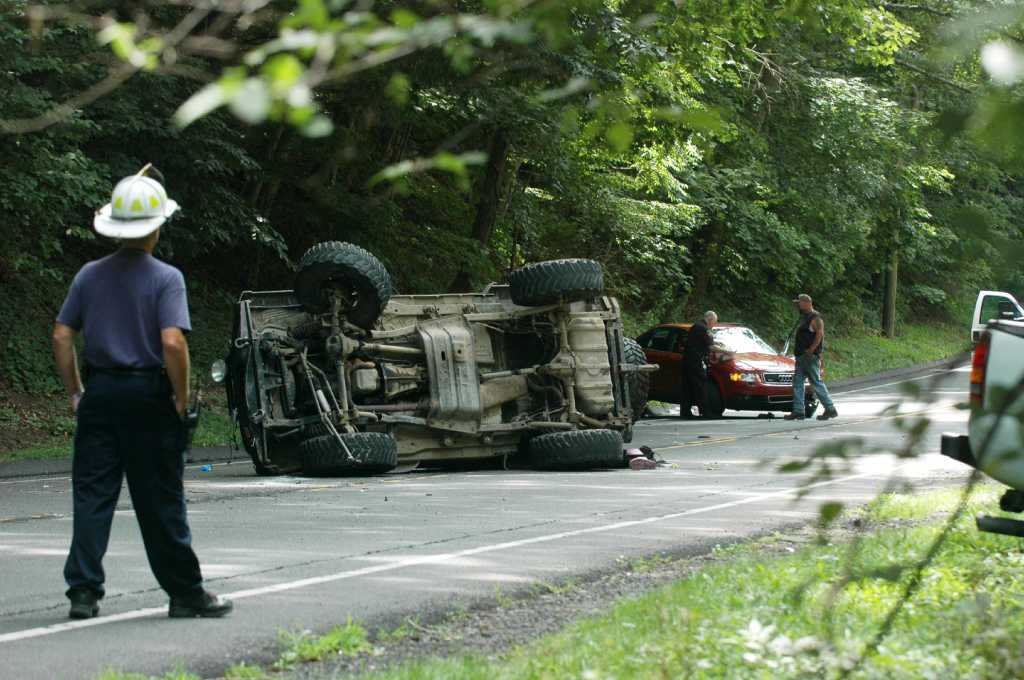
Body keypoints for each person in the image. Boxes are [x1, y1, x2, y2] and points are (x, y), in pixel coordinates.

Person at [52, 166, 232, 620]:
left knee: (92, 495)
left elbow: (60, 336)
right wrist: (179, 395)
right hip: (148, 396)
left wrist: (77, 392)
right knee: (160, 497)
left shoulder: (88, 276)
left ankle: (83, 592)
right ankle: (186, 592)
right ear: (157, 224)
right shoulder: (166, 278)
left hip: (102, 394)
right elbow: (172, 342)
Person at [785, 294, 838, 421]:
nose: (798, 305)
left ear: (807, 303)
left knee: (815, 382)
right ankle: (798, 411)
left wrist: (811, 350)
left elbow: (819, 334)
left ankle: (830, 409)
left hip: (809, 356)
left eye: (799, 303)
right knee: (798, 382)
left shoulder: (815, 318)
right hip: (802, 356)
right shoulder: (805, 317)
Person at [679, 311, 717, 419]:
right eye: (714, 322)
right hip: (697, 361)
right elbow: (711, 347)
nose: (714, 325)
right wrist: (727, 351)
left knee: (687, 387)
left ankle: (685, 412)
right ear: (710, 319)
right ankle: (705, 412)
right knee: (701, 386)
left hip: (687, 360)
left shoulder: (695, 326)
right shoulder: (704, 329)